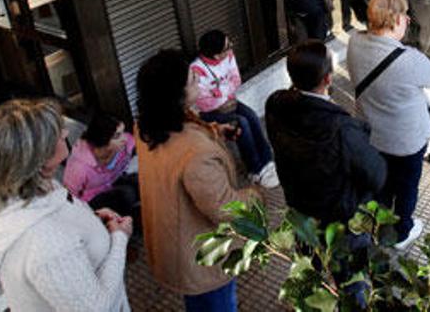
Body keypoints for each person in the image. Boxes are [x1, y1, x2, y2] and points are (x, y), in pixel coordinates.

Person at [0, 99, 132, 311]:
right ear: (37, 156)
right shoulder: (45, 244)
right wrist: (119, 239)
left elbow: (61, 216)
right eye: (57, 133)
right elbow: (98, 308)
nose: (65, 132)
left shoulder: (29, 188)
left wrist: (93, 220)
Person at [135, 49, 261, 311]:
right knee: (218, 304)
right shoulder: (197, 155)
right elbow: (226, 209)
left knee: (197, 302)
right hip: (203, 254)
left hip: (176, 244)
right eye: (193, 79)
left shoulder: (146, 127)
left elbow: (181, 140)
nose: (199, 81)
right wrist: (254, 195)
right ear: (176, 95)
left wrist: (213, 131)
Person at [347, 0, 430, 250]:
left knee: (381, 183)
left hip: (373, 133)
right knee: (407, 186)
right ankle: (401, 232)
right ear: (397, 20)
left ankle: (378, 224)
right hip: (406, 139)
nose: (408, 20)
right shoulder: (408, 60)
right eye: (406, 16)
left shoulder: (354, 42)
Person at [265, 40, 387, 224]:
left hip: (298, 204)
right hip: (338, 216)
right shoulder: (343, 128)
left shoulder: (275, 103)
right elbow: (377, 175)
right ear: (327, 79)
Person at [190, 30, 279, 188]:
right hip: (209, 113)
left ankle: (267, 160)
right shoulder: (197, 70)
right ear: (216, 56)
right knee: (241, 123)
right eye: (227, 46)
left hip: (229, 103)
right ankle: (255, 169)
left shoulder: (229, 56)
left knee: (251, 115)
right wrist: (223, 93)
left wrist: (217, 93)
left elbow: (236, 81)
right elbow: (204, 103)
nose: (231, 47)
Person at [63, 111, 139, 218]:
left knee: (139, 181)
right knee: (127, 194)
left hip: (112, 182)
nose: (124, 138)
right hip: (92, 200)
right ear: (103, 140)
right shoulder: (79, 167)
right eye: (117, 136)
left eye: (122, 132)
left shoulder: (126, 144)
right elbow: (70, 197)